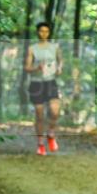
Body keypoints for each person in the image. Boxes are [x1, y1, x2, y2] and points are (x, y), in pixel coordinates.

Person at [25, 21, 62, 156]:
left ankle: (51, 134)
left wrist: (59, 68)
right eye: (41, 31)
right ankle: (40, 144)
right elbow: (27, 68)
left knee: (55, 111)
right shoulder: (32, 48)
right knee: (39, 115)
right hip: (36, 83)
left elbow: (60, 61)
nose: (44, 34)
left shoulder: (55, 47)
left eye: (46, 31)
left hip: (51, 82)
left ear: (49, 32)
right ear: (37, 32)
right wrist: (36, 68)